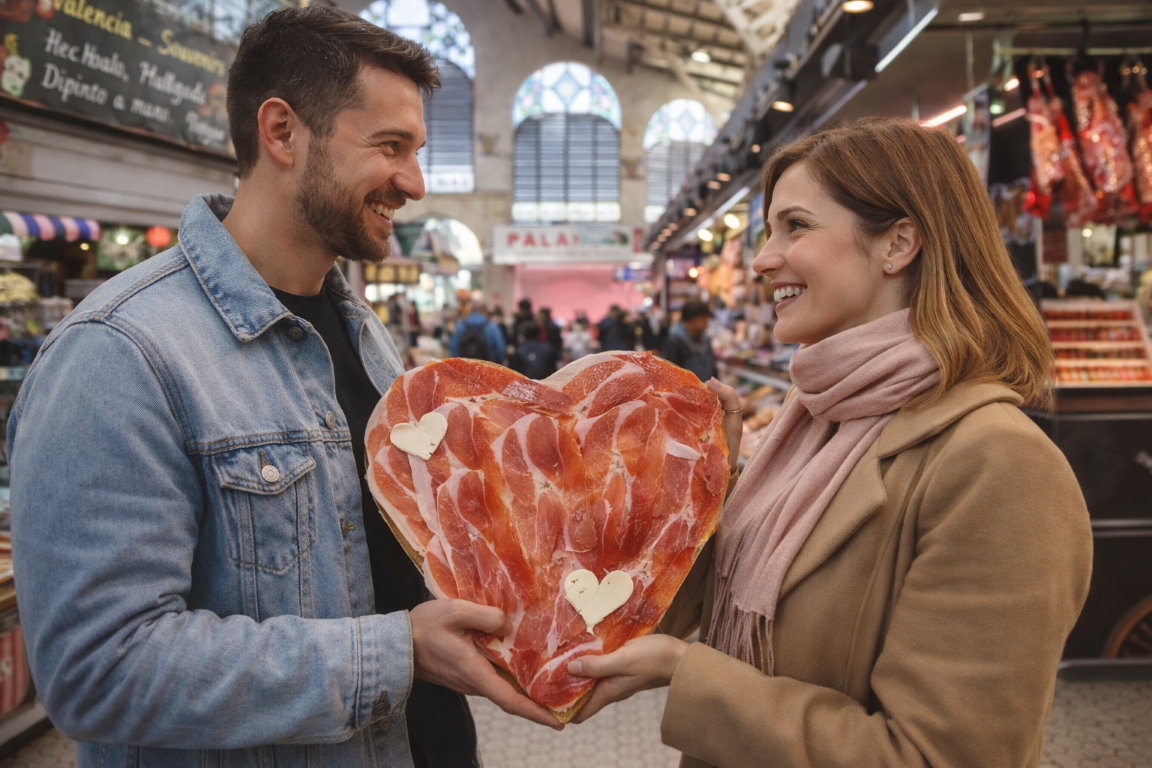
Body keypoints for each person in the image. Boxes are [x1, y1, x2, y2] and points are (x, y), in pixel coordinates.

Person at [6, 9, 555, 768]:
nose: (415, 183)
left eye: (417, 151)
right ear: (283, 132)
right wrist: (396, 653)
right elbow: (98, 671)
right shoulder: (118, 353)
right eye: (390, 147)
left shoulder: (365, 334)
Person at [567, 119, 1093, 768]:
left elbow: (938, 756)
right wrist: (697, 490)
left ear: (898, 243)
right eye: (768, 232)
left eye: (796, 226)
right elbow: (665, 611)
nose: (762, 260)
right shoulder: (812, 423)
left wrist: (688, 674)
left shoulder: (1001, 467)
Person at [662, 299, 718, 382]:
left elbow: (712, 368)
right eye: (703, 318)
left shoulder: (705, 339)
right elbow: (671, 376)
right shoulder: (674, 342)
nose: (706, 322)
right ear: (692, 319)